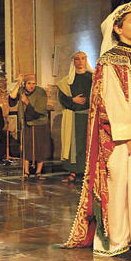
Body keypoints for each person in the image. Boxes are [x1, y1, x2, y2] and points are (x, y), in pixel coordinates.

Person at [62, 1, 131, 258]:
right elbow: (111, 100)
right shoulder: (110, 62)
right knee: (119, 186)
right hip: (118, 139)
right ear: (117, 28)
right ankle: (116, 241)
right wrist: (128, 135)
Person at [56, 51, 93, 182]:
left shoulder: (93, 78)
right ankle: (73, 172)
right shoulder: (67, 81)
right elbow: (62, 98)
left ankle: (89, 173)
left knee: (88, 145)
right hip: (74, 118)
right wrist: (72, 100)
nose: (80, 61)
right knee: (73, 145)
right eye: (77, 59)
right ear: (73, 62)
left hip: (90, 117)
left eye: (83, 58)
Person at [9, 73, 51, 179]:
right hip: (26, 123)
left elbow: (38, 111)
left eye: (34, 83)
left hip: (39, 122)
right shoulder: (21, 90)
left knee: (40, 147)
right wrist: (18, 83)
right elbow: (12, 97)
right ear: (24, 84)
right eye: (29, 83)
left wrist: (27, 102)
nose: (32, 86)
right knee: (26, 147)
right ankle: (26, 172)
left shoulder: (41, 92)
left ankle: (38, 172)